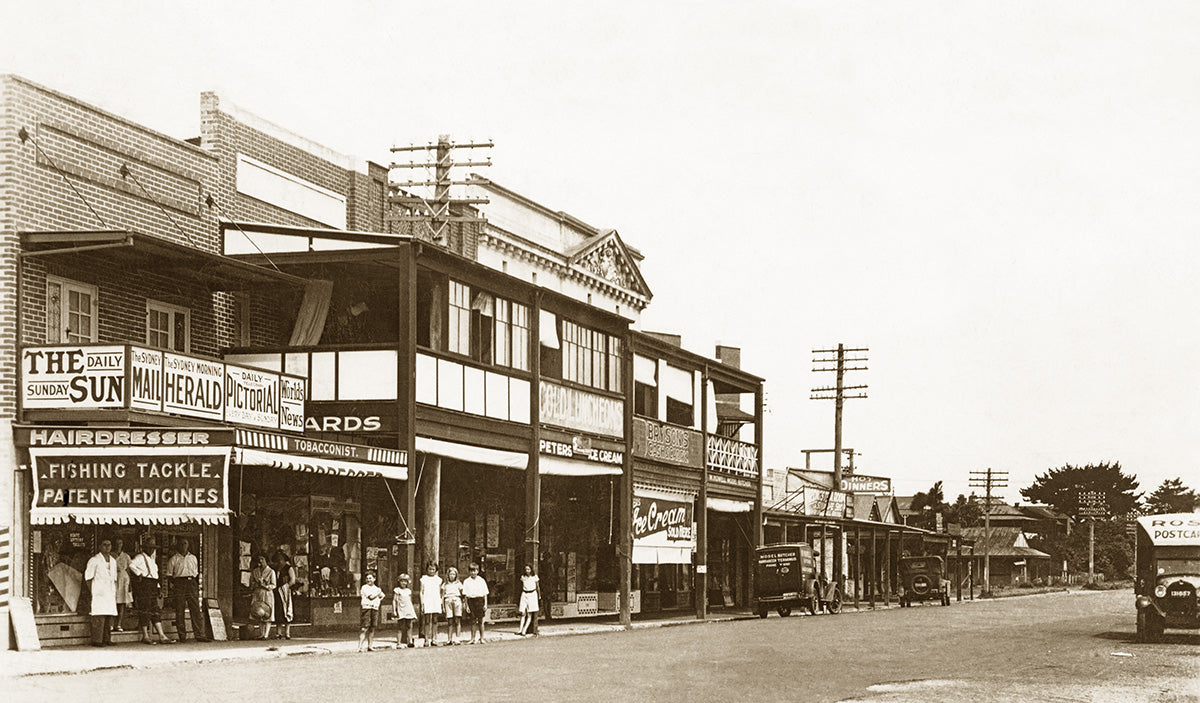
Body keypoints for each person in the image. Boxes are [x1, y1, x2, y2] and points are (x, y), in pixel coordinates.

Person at [128, 538, 172, 644]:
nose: (152, 550)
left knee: (155, 609)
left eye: (153, 548)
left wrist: (158, 588)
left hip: (152, 585)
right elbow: (130, 564)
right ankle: (146, 635)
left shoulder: (152, 561)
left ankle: (162, 635)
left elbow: (155, 576)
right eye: (150, 548)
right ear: (146, 548)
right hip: (144, 584)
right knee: (145, 608)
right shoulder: (139, 557)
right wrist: (139, 574)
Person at [165, 538, 210, 641]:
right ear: (178, 545)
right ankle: (182, 636)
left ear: (188, 545)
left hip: (191, 582)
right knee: (179, 609)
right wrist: (176, 584)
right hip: (179, 583)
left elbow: (196, 573)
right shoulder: (174, 559)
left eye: (185, 543)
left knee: (195, 609)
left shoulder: (193, 558)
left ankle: (199, 635)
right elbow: (169, 575)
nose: (183, 546)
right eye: (181, 544)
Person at [84, 537, 118, 646]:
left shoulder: (113, 561)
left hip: (110, 592)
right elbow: (88, 578)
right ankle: (97, 640)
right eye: (104, 544)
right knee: (99, 617)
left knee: (108, 616)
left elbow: (114, 578)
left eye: (109, 544)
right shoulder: (94, 560)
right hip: (99, 592)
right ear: (100, 546)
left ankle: (107, 639)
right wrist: (94, 591)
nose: (107, 547)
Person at [462, 563, 489, 644]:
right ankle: (472, 638)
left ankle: (482, 638)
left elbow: (485, 594)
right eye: (471, 571)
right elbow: (465, 595)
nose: (473, 573)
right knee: (473, 621)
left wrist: (485, 604)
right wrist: (466, 606)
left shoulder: (481, 580)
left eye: (475, 571)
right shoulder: (466, 581)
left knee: (481, 620)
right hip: (471, 601)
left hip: (480, 601)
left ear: (478, 571)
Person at [250, 555, 276, 639]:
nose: (260, 561)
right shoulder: (255, 571)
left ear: (266, 560)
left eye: (262, 559)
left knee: (267, 612)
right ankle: (261, 633)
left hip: (267, 593)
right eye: (259, 559)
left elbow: (274, 585)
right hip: (257, 593)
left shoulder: (271, 571)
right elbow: (251, 582)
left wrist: (265, 585)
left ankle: (266, 634)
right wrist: (256, 584)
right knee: (258, 612)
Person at [359, 571, 384, 652]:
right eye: (367, 578)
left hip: (375, 608)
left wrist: (378, 595)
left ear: (374, 579)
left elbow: (382, 596)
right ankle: (360, 646)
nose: (368, 580)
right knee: (364, 628)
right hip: (367, 608)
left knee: (372, 628)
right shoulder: (364, 587)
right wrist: (378, 593)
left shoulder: (376, 588)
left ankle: (370, 646)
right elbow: (371, 597)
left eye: (370, 578)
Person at [272, 552, 296, 639]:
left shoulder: (289, 568)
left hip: (286, 592)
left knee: (287, 610)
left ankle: (287, 632)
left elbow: (293, 580)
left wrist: (285, 587)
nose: (279, 562)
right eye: (277, 560)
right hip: (277, 592)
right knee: (278, 611)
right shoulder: (275, 569)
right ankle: (278, 632)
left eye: (280, 559)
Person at [418, 562, 442, 647]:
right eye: (430, 569)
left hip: (435, 600)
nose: (431, 571)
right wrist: (422, 603)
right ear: (427, 569)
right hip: (427, 600)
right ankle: (426, 639)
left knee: (435, 620)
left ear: (436, 570)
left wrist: (440, 601)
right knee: (427, 621)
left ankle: (434, 639)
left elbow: (439, 592)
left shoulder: (438, 580)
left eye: (433, 569)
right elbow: (421, 592)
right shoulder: (423, 579)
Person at [391, 573, 417, 648]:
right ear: (399, 581)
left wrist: (412, 610)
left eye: (405, 581)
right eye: (402, 581)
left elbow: (409, 601)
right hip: (401, 609)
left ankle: (410, 641)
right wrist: (394, 610)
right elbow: (394, 600)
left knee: (409, 626)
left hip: (408, 609)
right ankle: (398, 642)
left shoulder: (408, 591)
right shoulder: (397, 590)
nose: (403, 583)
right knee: (400, 626)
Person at [113, 538, 132, 632]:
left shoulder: (126, 556)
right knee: (113, 602)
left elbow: (129, 570)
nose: (118, 545)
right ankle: (111, 624)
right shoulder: (111, 555)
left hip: (124, 579)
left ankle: (119, 624)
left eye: (120, 543)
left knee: (122, 603)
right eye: (117, 543)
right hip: (114, 579)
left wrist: (130, 585)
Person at [442, 566, 464, 645]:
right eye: (450, 574)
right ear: (448, 575)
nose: (452, 576)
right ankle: (449, 639)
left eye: (453, 574)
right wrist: (443, 606)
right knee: (450, 621)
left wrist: (463, 603)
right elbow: (442, 596)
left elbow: (463, 593)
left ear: (456, 575)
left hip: (456, 600)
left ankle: (457, 638)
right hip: (448, 601)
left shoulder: (458, 583)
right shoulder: (445, 584)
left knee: (457, 620)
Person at [517, 564, 540, 637]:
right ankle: (520, 630)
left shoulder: (534, 577)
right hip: (524, 594)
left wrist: (539, 596)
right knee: (523, 613)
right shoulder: (523, 577)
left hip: (532, 594)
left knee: (530, 613)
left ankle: (524, 630)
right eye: (526, 569)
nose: (527, 571)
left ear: (531, 570)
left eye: (528, 569)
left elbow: (537, 587)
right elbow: (520, 586)